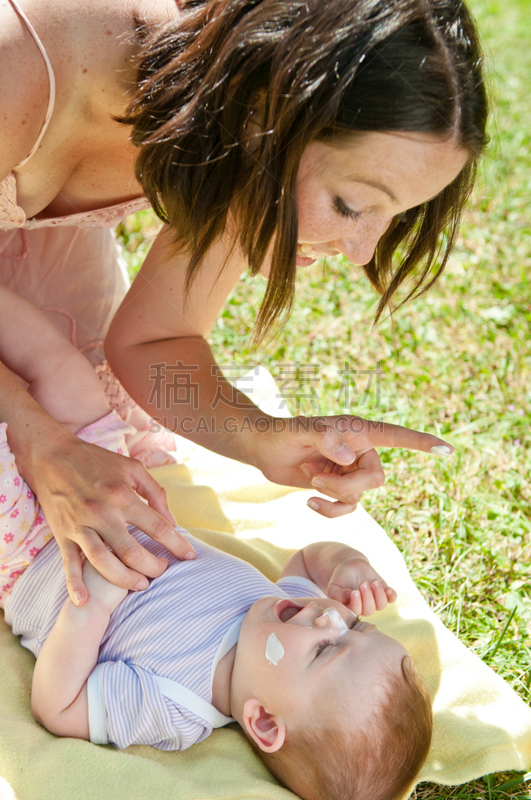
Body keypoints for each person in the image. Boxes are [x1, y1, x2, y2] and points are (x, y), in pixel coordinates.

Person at [0, 0, 488, 605]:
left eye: (397, 214)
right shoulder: (20, 60)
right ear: (266, 114)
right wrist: (42, 441)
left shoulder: (226, 144)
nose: (364, 252)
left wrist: (258, 436)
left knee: (83, 415)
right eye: (351, 204)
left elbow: (158, 340)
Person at [0, 291, 432, 800]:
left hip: (31, 549)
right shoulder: (272, 609)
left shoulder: (175, 704)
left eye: (326, 649)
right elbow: (307, 562)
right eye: (355, 624)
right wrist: (346, 562)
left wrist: (88, 610)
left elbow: (60, 706)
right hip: (107, 477)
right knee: (67, 375)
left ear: (265, 722)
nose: (330, 618)